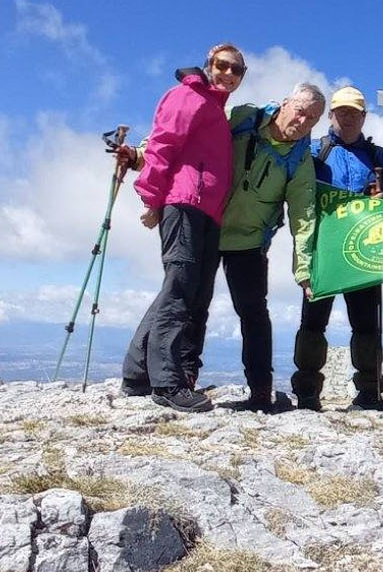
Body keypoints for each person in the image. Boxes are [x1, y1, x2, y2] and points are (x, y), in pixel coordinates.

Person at [119, 83, 327, 413]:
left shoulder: (300, 159)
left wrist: (304, 271)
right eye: (301, 112)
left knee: (254, 314)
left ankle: (260, 391)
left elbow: (304, 216)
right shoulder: (244, 118)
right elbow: (188, 132)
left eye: (313, 119)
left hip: (248, 239)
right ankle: (180, 377)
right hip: (207, 222)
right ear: (285, 104)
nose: (304, 122)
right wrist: (141, 155)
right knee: (187, 301)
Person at [120, 43, 245, 413]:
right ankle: (166, 383)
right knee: (180, 290)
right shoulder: (186, 96)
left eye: (236, 70)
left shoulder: (215, 109)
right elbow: (162, 145)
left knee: (185, 290)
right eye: (222, 66)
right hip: (184, 202)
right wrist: (151, 198)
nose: (228, 74)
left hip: (207, 210)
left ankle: (136, 373)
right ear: (209, 64)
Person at [292, 86, 383, 411]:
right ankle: (307, 393)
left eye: (353, 111)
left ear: (363, 117)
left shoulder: (380, 158)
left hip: (363, 252)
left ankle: (370, 393)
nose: (347, 116)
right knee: (313, 323)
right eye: (341, 111)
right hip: (323, 250)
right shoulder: (312, 151)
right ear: (331, 115)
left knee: (366, 325)